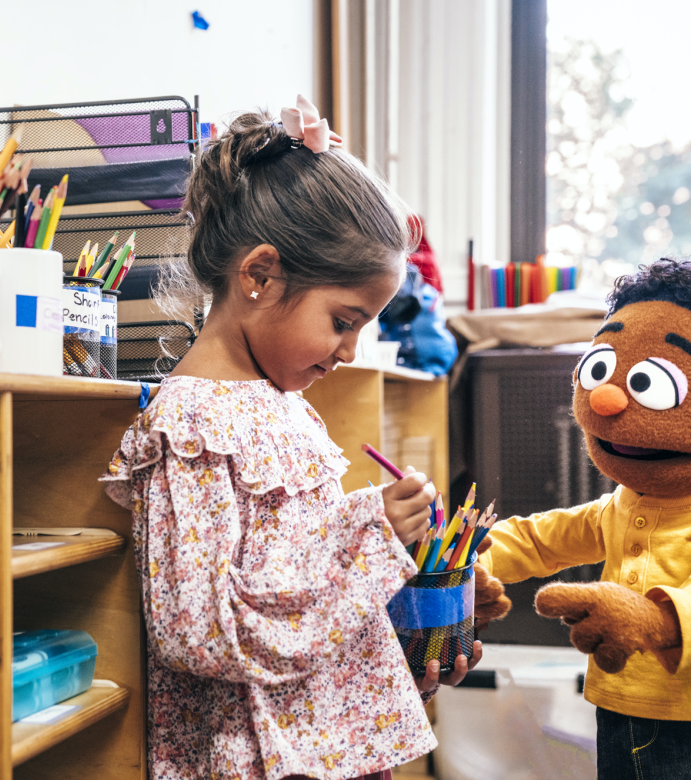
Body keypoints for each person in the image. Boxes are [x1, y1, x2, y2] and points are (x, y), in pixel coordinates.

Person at [102, 97, 487, 780]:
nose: (349, 351)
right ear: (259, 275)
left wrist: (404, 635)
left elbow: (300, 593)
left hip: (325, 752)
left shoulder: (287, 408)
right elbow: (202, 633)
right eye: (343, 321)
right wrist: (369, 540)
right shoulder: (191, 428)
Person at [475, 259, 691, 778]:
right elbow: (544, 538)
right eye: (599, 370)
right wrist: (468, 562)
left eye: (651, 384)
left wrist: (656, 620)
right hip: (629, 698)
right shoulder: (623, 503)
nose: (608, 400)